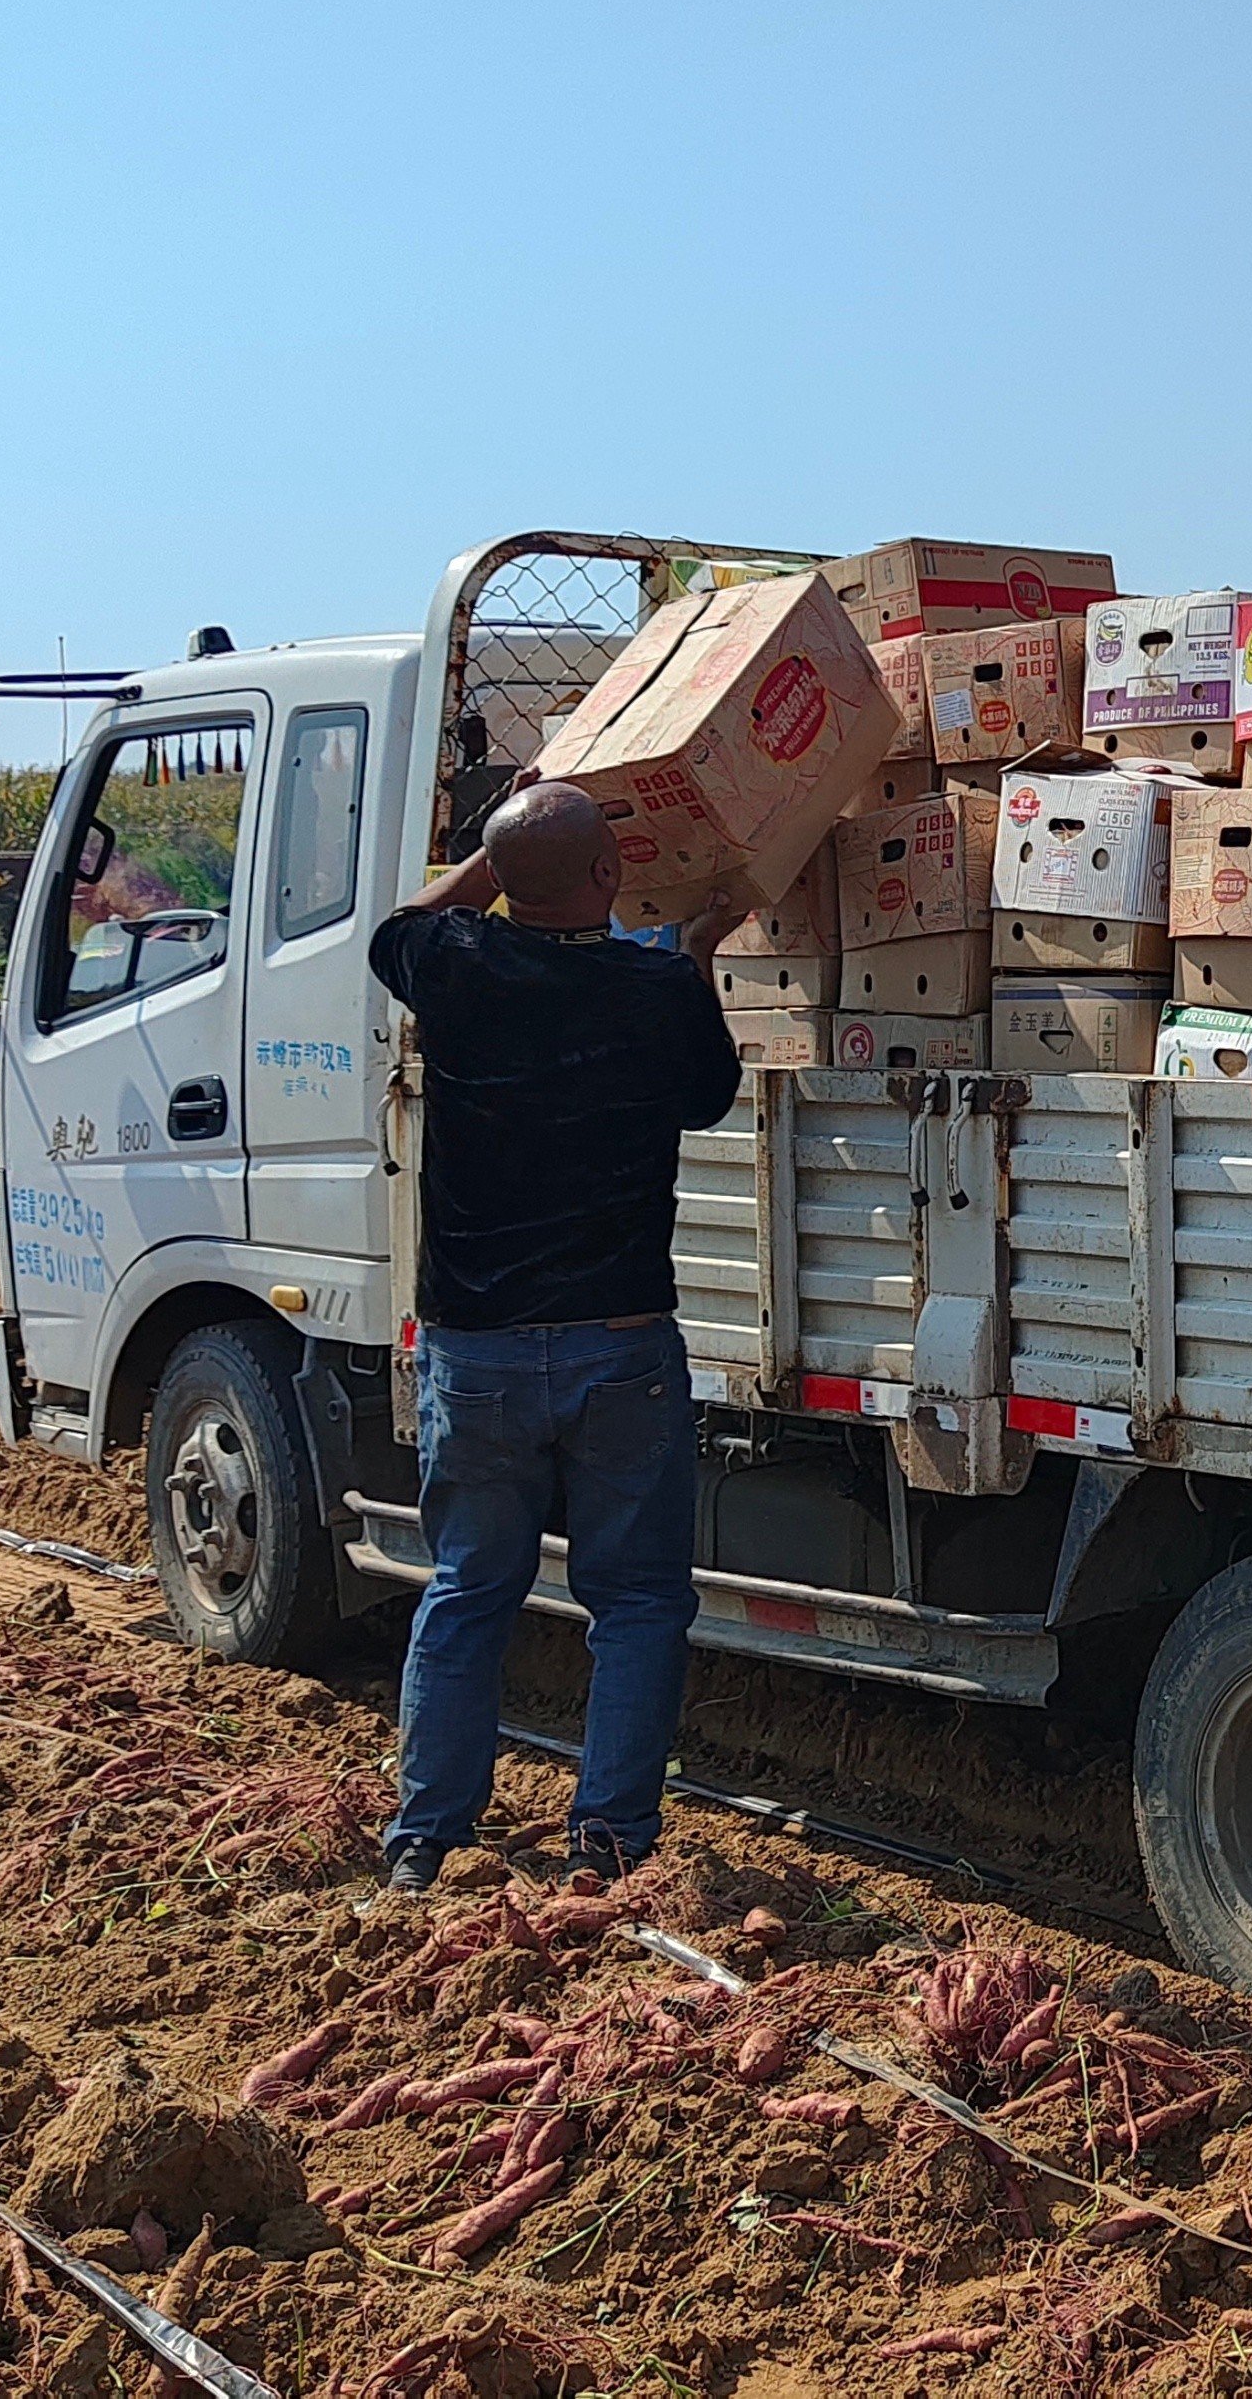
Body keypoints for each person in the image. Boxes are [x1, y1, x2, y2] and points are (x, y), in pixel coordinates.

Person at [364, 778, 746, 1896]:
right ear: (611, 876)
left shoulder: (459, 969)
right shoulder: (655, 983)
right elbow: (708, 1097)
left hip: (476, 1356)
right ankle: (608, 1839)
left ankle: (426, 1836)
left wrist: (502, 843)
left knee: (469, 1585)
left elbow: (401, 926)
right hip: (619, 1350)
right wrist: (703, 950)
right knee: (635, 1601)